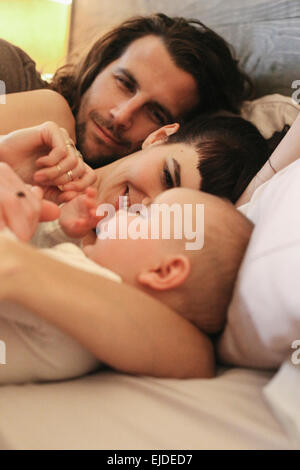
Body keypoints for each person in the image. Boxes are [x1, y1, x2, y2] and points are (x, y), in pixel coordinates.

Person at [0, 167, 253, 383]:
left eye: (141, 216)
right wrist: (58, 230)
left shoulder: (87, 302)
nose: (122, 210)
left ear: (163, 271)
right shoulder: (98, 311)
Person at [0, 13, 253, 167]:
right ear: (98, 65)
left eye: (156, 114)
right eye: (124, 83)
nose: (121, 116)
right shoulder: (11, 70)